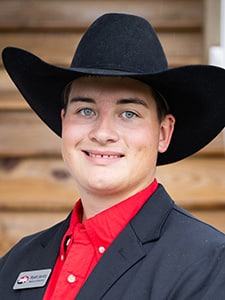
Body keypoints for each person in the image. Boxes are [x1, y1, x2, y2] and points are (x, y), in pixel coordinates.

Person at [0, 12, 225, 300]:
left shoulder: (210, 265)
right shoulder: (16, 264)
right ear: (64, 122)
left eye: (129, 113)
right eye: (86, 110)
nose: (103, 133)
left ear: (163, 133)